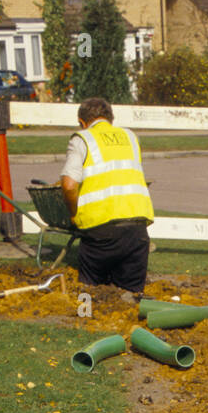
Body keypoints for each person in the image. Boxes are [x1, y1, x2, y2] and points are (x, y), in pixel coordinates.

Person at [59, 96, 154, 293]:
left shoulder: (82, 139)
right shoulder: (130, 137)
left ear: (82, 123)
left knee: (89, 294)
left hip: (101, 231)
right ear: (111, 120)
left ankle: (84, 317)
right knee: (131, 297)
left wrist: (73, 214)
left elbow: (68, 186)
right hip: (137, 229)